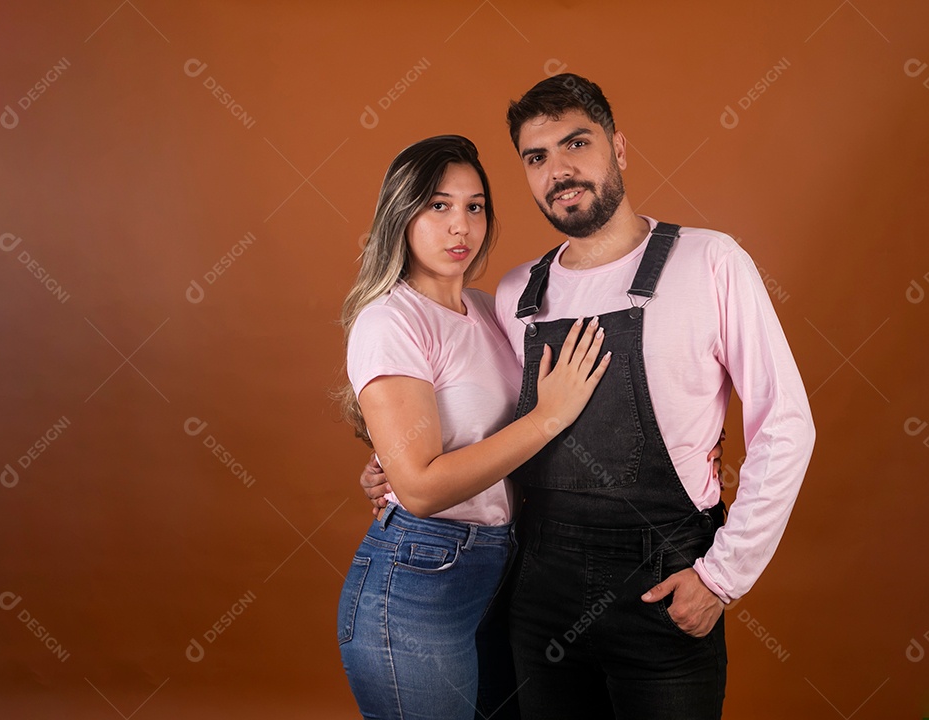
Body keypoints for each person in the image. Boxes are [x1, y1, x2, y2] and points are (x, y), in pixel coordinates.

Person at [362, 73, 815, 719]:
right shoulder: (515, 294)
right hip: (536, 591)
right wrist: (396, 465)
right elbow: (477, 413)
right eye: (537, 157)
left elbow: (786, 425)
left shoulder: (710, 262)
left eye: (577, 143)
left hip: (662, 587)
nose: (559, 171)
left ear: (618, 148)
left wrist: (723, 577)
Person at [335, 134, 612, 720]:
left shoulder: (490, 309)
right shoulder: (390, 319)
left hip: (501, 571)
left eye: (475, 206)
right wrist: (547, 417)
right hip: (419, 582)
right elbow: (421, 489)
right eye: (438, 205)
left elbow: (467, 442)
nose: (461, 225)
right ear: (401, 214)